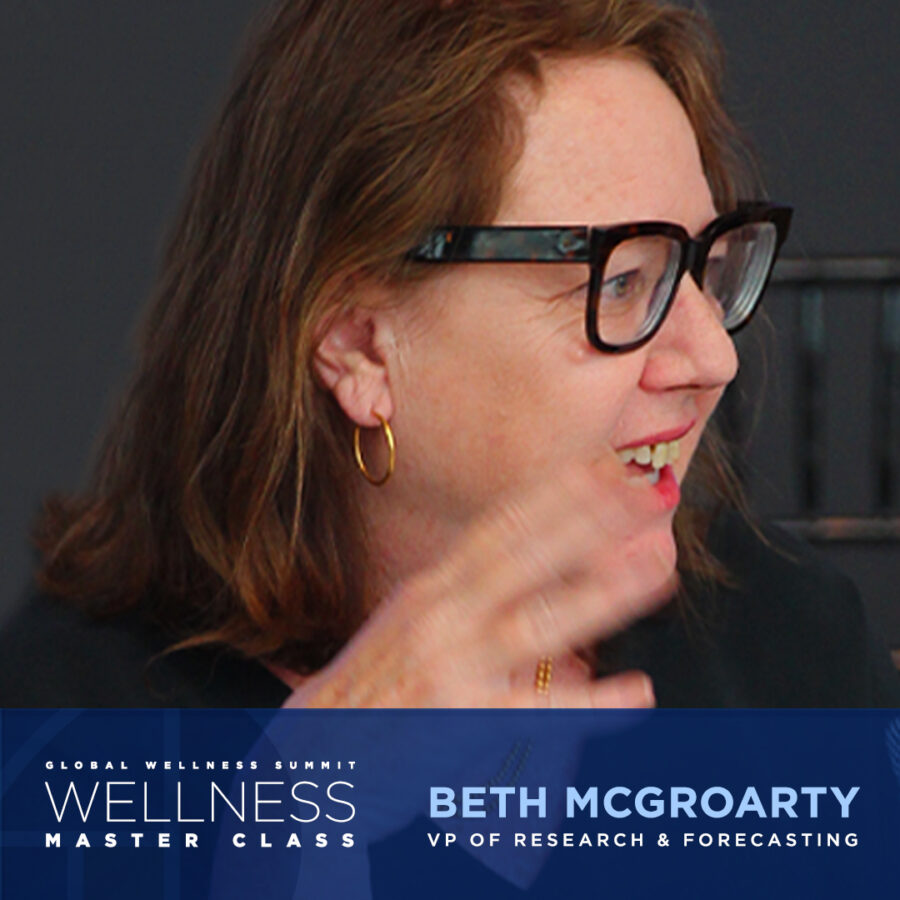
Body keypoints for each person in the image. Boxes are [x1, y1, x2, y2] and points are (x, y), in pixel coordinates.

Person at [1, 0, 897, 708]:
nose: (712, 357)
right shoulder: (68, 728)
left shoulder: (794, 647)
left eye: (704, 269)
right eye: (622, 282)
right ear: (358, 347)